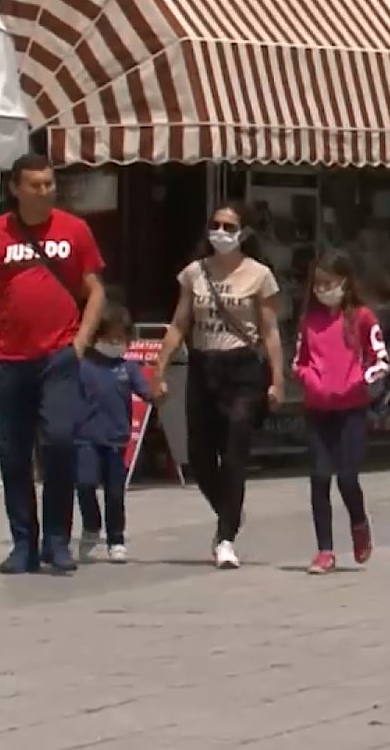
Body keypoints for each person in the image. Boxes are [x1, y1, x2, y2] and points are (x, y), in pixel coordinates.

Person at [0, 154, 107, 574]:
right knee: (13, 454)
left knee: (59, 443)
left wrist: (80, 343)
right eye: (36, 185)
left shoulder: (74, 230)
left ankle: (57, 541)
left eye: (50, 184)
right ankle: (23, 545)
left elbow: (96, 292)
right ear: (15, 188)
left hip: (59, 357)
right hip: (10, 360)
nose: (46, 191)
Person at [152, 202, 285, 569]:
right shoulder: (194, 273)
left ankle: (225, 537)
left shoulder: (259, 275)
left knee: (236, 446)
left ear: (244, 233)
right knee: (199, 454)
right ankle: (230, 510)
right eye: (216, 225)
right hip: (204, 366)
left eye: (229, 227)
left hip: (242, 368)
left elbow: (270, 330)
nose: (221, 233)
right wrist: (159, 369)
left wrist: (277, 380)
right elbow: (179, 324)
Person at [293, 250, 390, 574]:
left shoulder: (362, 318)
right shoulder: (309, 321)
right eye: (318, 284)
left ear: (345, 282)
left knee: (347, 477)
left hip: (351, 410)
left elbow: (381, 361)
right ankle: (324, 550)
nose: (323, 290)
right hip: (317, 409)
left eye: (329, 283)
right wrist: (311, 381)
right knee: (319, 476)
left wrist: (358, 381)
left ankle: (359, 522)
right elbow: (299, 362)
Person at [73, 303, 151, 563]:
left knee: (115, 492)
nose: (116, 343)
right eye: (111, 338)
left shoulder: (128, 368)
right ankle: (91, 527)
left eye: (121, 338)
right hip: (85, 437)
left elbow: (147, 392)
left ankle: (116, 539)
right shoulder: (82, 366)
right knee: (85, 483)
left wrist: (160, 391)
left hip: (116, 439)